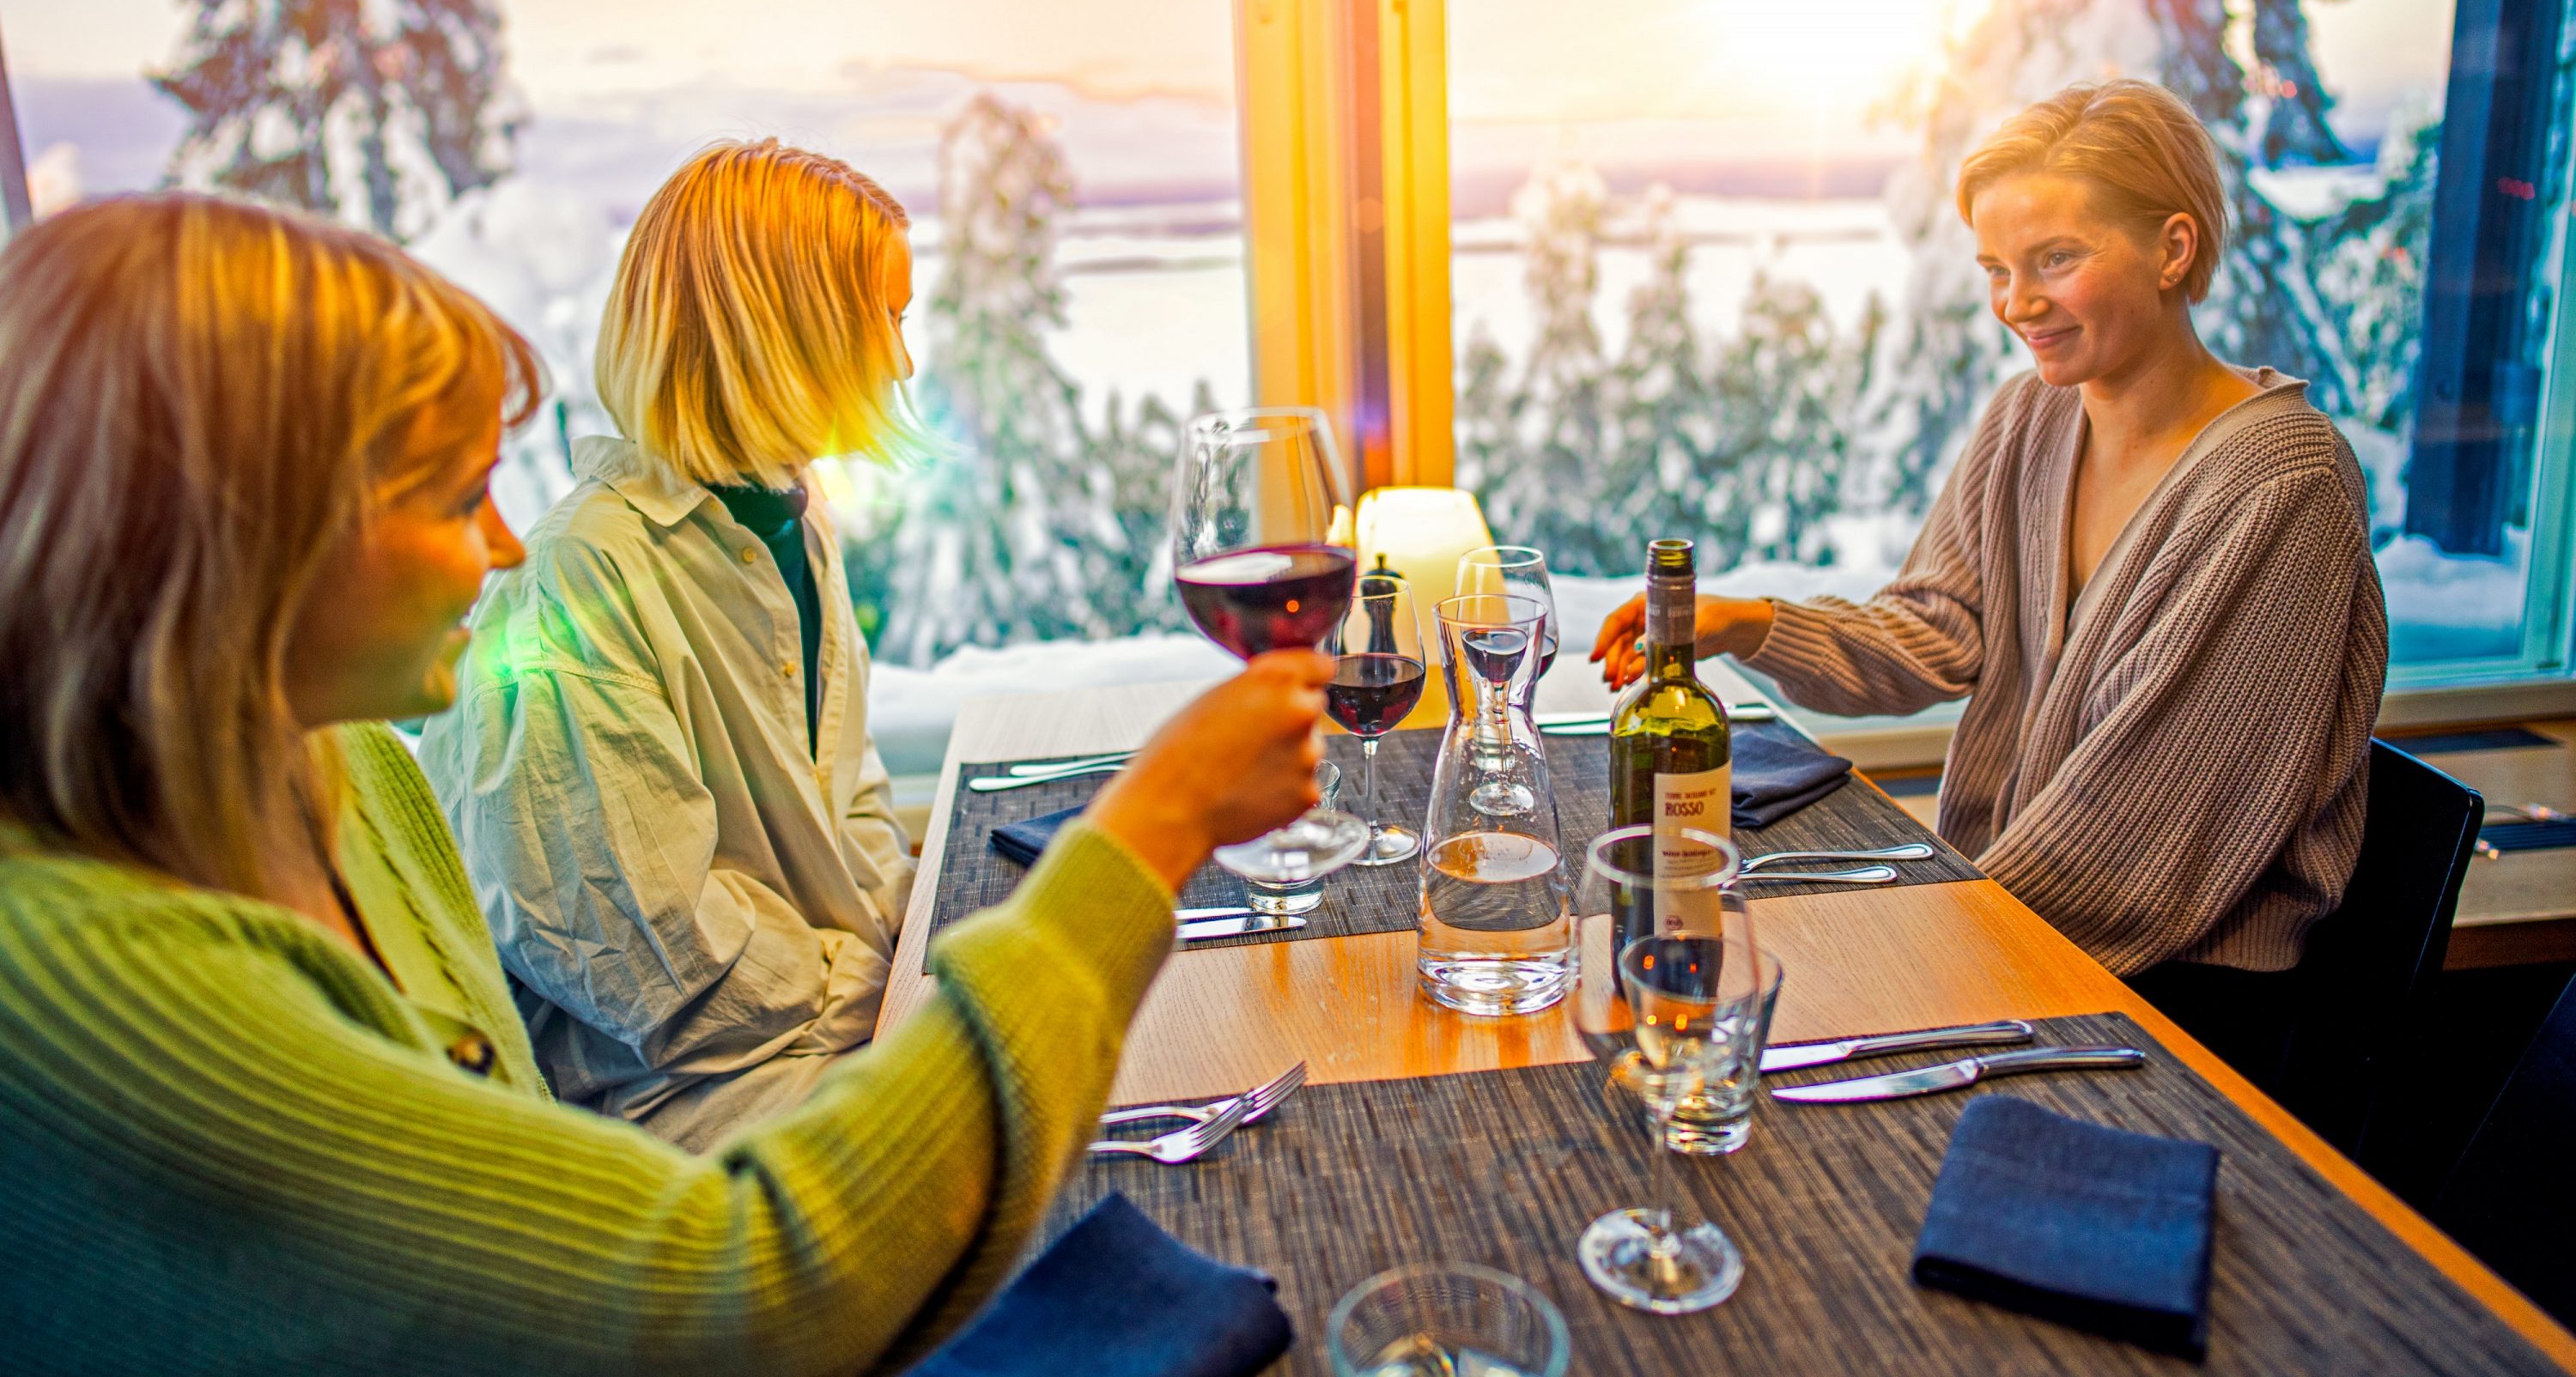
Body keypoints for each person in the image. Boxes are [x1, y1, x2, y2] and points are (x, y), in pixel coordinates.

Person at [0, 192, 1333, 1373]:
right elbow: (733, 1280)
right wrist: (1143, 833)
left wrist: (918, 981)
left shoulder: (337, 768)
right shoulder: (79, 991)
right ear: (247, 539)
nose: (505, 540)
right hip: (692, 1146)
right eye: (461, 497)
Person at [1593, 80, 2386, 1079]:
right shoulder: (2033, 419)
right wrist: (1750, 622)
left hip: (2171, 1008)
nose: (2017, 304)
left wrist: (1898, 952)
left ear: (2174, 249)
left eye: (2057, 259)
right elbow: (1939, 629)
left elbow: (2133, 835)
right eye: (1999, 269)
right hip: (2013, 931)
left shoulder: (2283, 485)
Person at [421, 139, 925, 1147]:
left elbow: (850, 788)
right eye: (885, 321)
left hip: (824, 1029)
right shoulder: (576, 581)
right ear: (784, 336)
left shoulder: (788, 519)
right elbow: (653, 961)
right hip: (686, 1097)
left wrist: (923, 933)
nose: (902, 362)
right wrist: (902, 982)